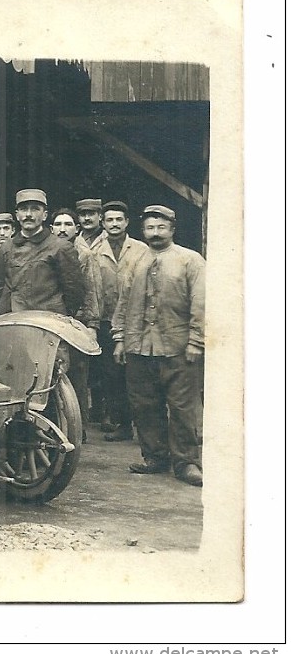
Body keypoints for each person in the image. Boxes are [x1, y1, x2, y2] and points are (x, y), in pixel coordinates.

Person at [112, 205, 204, 487]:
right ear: (143, 231)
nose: (155, 233)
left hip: (177, 347)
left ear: (172, 230)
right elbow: (123, 301)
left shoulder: (191, 261)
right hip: (139, 346)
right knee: (145, 404)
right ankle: (155, 457)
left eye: (161, 227)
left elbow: (202, 304)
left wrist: (196, 341)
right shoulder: (134, 260)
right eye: (150, 228)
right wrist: (119, 339)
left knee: (182, 407)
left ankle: (186, 463)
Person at [92, 201, 152, 442]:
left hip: (136, 321)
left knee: (139, 375)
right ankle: (122, 423)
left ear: (127, 222)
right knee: (112, 375)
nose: (114, 224)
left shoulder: (141, 249)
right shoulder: (95, 251)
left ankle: (146, 428)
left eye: (119, 219)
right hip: (107, 319)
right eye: (109, 220)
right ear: (103, 223)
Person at [50, 208, 104, 430]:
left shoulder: (84, 254)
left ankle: (77, 429)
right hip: (54, 319)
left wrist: (92, 325)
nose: (63, 229)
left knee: (77, 376)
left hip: (78, 322)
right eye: (58, 224)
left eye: (68, 224)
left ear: (77, 228)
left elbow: (92, 290)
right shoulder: (48, 251)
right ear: (51, 228)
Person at [0, 189, 85, 318]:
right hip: (13, 320)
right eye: (24, 209)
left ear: (45, 215)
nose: (28, 214)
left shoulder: (61, 247)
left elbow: (74, 291)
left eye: (35, 209)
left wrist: (60, 316)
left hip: (48, 322)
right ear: (17, 215)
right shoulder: (6, 247)